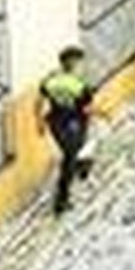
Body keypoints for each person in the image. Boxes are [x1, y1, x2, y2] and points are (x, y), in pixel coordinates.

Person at [38, 47, 100, 214]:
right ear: (73, 64)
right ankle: (62, 200)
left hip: (56, 123)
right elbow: (87, 108)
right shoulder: (79, 85)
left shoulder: (51, 80)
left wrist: (39, 121)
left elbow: (39, 100)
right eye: (79, 62)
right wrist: (103, 112)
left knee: (70, 152)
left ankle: (81, 166)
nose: (81, 66)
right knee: (71, 156)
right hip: (75, 122)